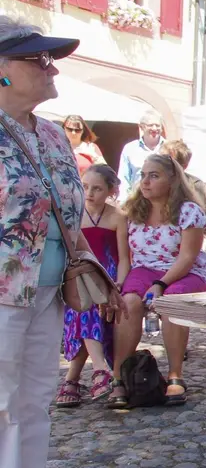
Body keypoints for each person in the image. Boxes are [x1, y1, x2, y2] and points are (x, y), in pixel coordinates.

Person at [0, 18, 121, 468]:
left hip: (48, 287)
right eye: (37, 60)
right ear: (2, 71)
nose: (51, 68)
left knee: (32, 401)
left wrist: (95, 272)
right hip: (4, 290)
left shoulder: (49, 133)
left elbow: (70, 211)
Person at [111, 154, 206, 408]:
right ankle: (118, 378)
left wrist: (161, 284)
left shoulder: (188, 211)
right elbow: (125, 255)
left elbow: (188, 256)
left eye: (153, 176)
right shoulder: (133, 210)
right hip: (144, 268)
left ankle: (175, 374)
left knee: (170, 302)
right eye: (143, 175)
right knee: (129, 303)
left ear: (172, 180)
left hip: (183, 271)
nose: (145, 182)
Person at [56, 164, 127, 407]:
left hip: (108, 275)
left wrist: (117, 284)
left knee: (90, 307)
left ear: (110, 191)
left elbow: (124, 257)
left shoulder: (117, 217)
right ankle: (99, 370)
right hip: (82, 276)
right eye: (85, 187)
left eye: (97, 188)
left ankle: (72, 379)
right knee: (85, 305)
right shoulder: (73, 214)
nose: (89, 193)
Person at [117, 108, 165, 200]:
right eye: (150, 125)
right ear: (142, 127)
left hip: (162, 202)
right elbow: (123, 179)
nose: (154, 128)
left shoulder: (168, 148)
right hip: (136, 201)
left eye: (157, 125)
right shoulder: (130, 149)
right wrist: (123, 202)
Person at [159, 139, 206, 206]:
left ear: (184, 166)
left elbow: (200, 211)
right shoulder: (150, 181)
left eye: (167, 161)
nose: (160, 164)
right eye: (159, 159)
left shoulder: (195, 185)